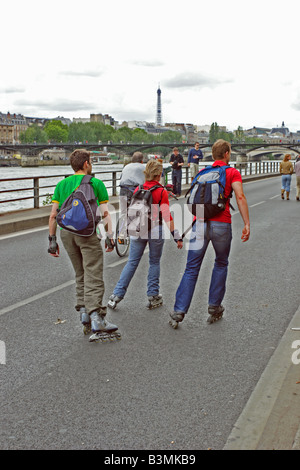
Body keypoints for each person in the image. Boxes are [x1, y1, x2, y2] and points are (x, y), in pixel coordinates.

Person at [169, 139, 250, 328]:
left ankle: (179, 311)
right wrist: (247, 223)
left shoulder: (202, 173)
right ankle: (214, 306)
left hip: (200, 225)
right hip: (221, 224)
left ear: (213, 155)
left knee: (191, 268)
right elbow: (239, 196)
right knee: (221, 263)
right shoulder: (232, 172)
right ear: (227, 154)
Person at [48, 149, 118, 336]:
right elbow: (104, 213)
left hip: (66, 234)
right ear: (86, 164)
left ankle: (84, 313)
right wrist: (110, 237)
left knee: (80, 273)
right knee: (93, 273)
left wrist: (52, 240)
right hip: (87, 234)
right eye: (91, 161)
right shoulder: (96, 183)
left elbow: (54, 215)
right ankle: (97, 317)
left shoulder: (61, 185)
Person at [108, 159, 183, 310]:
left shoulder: (138, 189)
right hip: (155, 229)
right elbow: (167, 215)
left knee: (132, 262)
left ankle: (116, 296)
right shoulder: (161, 191)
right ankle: (153, 295)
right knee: (154, 262)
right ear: (159, 174)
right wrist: (176, 236)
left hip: (138, 229)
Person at [119, 151, 145, 218]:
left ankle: (121, 226)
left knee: (123, 213)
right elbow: (147, 181)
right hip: (135, 191)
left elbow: (121, 177)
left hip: (123, 190)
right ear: (142, 161)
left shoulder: (126, 167)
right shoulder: (143, 167)